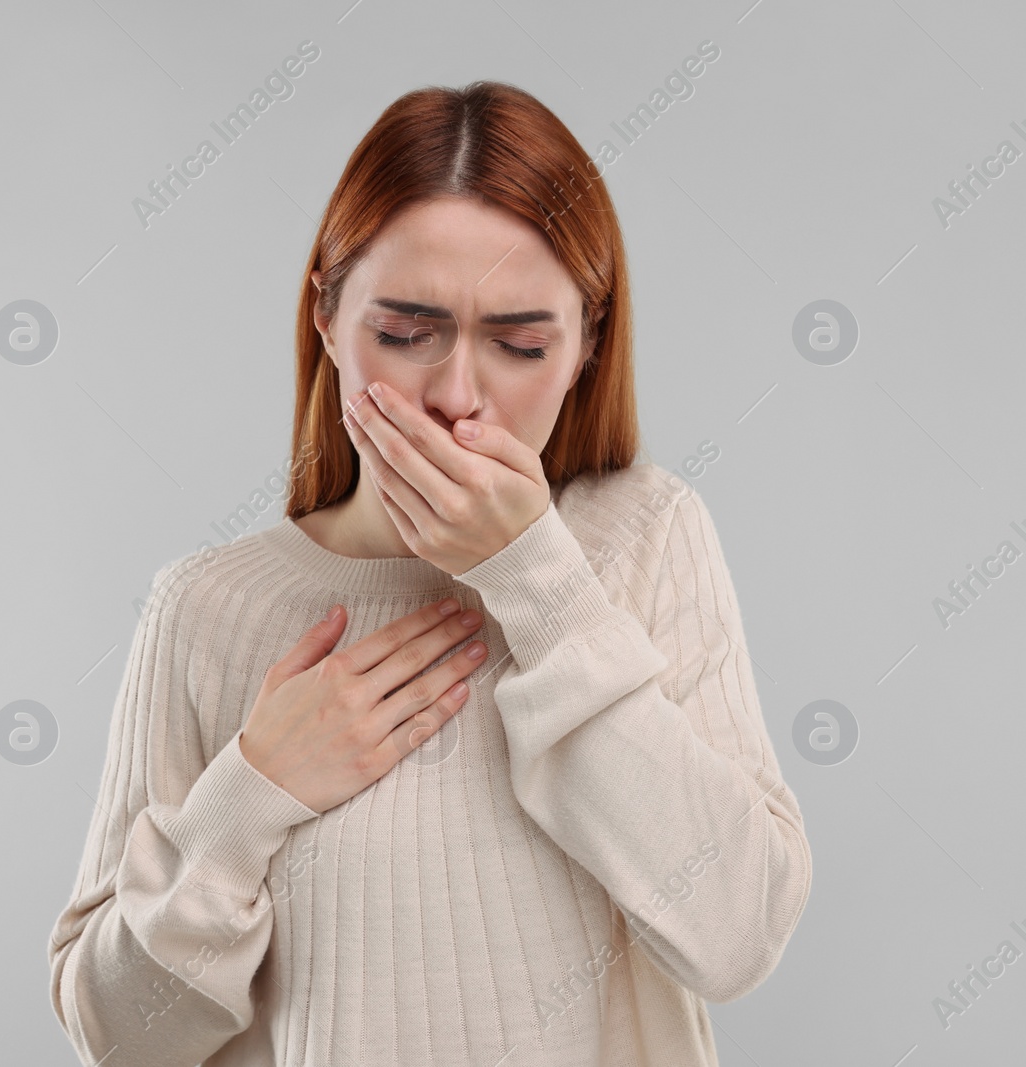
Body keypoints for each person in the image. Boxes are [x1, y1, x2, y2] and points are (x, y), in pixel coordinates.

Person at [48, 80, 811, 1067]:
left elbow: (734, 932)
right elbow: (118, 1037)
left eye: (519, 342)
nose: (456, 394)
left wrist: (534, 575)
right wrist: (248, 795)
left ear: (586, 343)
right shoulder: (208, 606)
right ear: (324, 315)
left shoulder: (645, 536)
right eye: (405, 333)